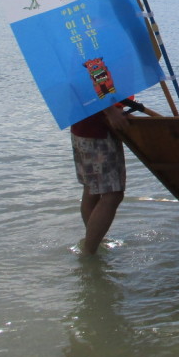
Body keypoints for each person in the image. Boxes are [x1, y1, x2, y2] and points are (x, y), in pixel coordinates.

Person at [70, 102, 130, 255]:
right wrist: (111, 111)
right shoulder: (94, 77)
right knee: (113, 193)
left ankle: (93, 244)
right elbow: (95, 82)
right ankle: (89, 251)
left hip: (83, 125)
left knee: (92, 189)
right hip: (98, 130)